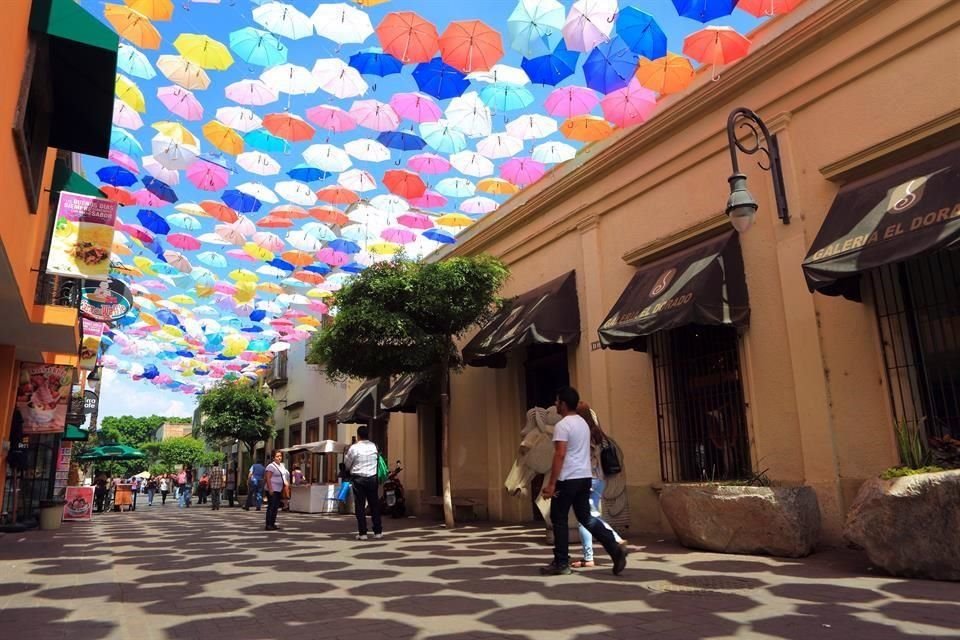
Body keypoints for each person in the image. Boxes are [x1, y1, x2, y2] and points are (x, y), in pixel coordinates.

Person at [540, 386, 627, 576]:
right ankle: (614, 548)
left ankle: (561, 562)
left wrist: (552, 483)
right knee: (586, 517)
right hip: (584, 477)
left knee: (559, 518)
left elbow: (560, 454)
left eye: (557, 401)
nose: (555, 404)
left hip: (567, 477)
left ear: (563, 404)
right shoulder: (582, 423)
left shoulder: (563, 426)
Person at [571, 402, 628, 568]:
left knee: (585, 519)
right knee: (593, 515)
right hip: (600, 479)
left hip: (587, 478)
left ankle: (611, 543)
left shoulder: (583, 433)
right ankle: (596, 553)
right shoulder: (599, 433)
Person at [343, 425, 382, 540]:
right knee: (374, 505)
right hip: (372, 478)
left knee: (360, 506)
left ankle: (363, 533)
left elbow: (347, 464)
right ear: (367, 435)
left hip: (358, 479)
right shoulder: (374, 446)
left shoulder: (354, 448)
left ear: (359, 435)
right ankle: (378, 531)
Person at [263, 450, 289, 531]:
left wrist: (287, 484)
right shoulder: (271, 466)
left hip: (279, 489)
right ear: (273, 457)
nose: (279, 458)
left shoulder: (282, 466)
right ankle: (268, 524)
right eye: (277, 456)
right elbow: (268, 478)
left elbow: (284, 476)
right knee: (271, 506)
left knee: (276, 507)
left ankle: (272, 523)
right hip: (272, 489)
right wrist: (270, 489)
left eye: (280, 456)